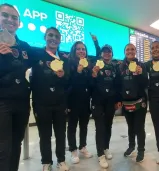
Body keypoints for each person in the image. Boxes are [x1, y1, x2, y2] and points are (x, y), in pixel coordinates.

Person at [31, 27, 69, 171]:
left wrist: (63, 75)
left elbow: (68, 81)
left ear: (60, 40)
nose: (53, 39)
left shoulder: (64, 58)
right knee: (45, 135)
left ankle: (61, 160)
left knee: (60, 134)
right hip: (42, 104)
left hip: (60, 103)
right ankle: (46, 162)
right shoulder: (36, 54)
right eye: (50, 35)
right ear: (45, 37)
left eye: (56, 37)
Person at [0, 3, 32, 171]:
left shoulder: (24, 46)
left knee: (16, 143)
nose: (10, 20)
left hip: (21, 101)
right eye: (5, 15)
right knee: (3, 147)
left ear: (19, 23)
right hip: (2, 102)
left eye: (14, 17)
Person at [90, 44, 120, 168]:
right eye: (105, 52)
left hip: (110, 102)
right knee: (100, 127)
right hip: (98, 102)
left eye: (109, 52)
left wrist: (118, 100)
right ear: (101, 53)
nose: (107, 53)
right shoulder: (95, 65)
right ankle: (100, 154)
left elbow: (118, 84)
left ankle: (106, 147)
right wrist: (93, 74)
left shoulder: (114, 67)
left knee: (108, 126)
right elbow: (90, 84)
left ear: (111, 54)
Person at [117, 43, 148, 163]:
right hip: (126, 102)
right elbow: (118, 84)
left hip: (140, 101)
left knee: (139, 127)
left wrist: (141, 74)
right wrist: (118, 100)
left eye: (132, 49)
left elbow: (146, 84)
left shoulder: (142, 65)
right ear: (124, 52)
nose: (130, 51)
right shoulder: (120, 66)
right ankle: (131, 146)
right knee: (130, 126)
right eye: (128, 49)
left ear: (135, 51)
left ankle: (141, 150)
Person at [67, 41, 93, 164]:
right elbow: (69, 84)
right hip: (72, 101)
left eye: (83, 49)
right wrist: (78, 72)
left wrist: (93, 75)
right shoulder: (69, 64)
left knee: (84, 125)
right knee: (72, 126)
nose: (81, 51)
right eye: (78, 49)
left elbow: (90, 84)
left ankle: (83, 146)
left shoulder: (88, 65)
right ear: (74, 51)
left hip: (85, 101)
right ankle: (73, 150)